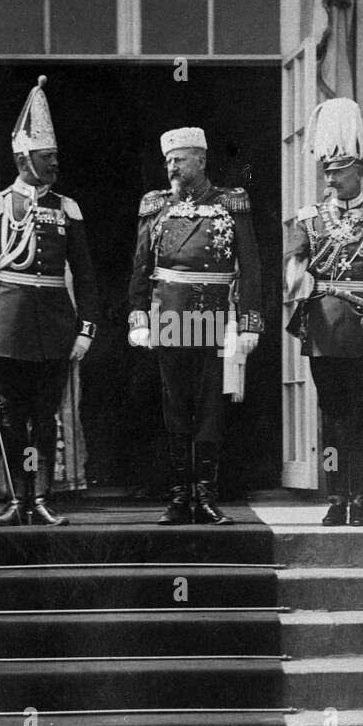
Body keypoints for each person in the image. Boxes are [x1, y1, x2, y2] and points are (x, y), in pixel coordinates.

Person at [0, 76, 98, 528]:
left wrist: (85, 331)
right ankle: (18, 500)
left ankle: (40, 498)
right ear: (24, 158)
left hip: (55, 328)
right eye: (47, 156)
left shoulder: (68, 208)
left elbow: (87, 277)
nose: (55, 163)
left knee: (45, 417)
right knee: (12, 418)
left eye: (54, 156)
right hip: (6, 328)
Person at [129, 126, 263, 526]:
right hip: (169, 312)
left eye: (180, 159)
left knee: (208, 407)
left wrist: (250, 321)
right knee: (174, 405)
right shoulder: (155, 206)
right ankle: (178, 497)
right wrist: (138, 315)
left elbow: (251, 266)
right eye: (168, 160)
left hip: (212, 312)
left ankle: (205, 496)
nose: (172, 166)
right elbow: (140, 266)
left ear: (201, 160)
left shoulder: (230, 203)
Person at [284, 98, 363, 526]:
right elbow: (295, 260)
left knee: (361, 413)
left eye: (339, 169)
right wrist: (299, 275)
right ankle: (337, 497)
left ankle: (360, 497)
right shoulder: (309, 218)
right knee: (332, 416)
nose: (331, 178)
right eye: (327, 170)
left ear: (358, 168)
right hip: (322, 328)